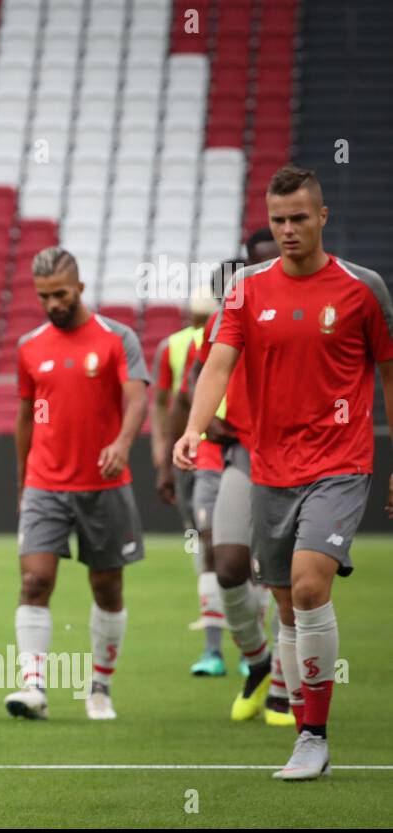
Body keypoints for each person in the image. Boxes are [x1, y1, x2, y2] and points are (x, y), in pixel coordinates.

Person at [176, 165, 393, 780]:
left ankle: (315, 734)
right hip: (268, 464)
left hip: (340, 462)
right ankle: (303, 730)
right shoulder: (246, 289)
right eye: (279, 220)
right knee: (286, 605)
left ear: (322, 217)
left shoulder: (362, 288)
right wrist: (195, 428)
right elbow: (218, 364)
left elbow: (389, 372)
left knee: (305, 587)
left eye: (300, 217)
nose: (289, 229)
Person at [3, 246, 149, 721]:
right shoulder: (29, 346)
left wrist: (124, 443)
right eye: (44, 296)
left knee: (107, 588)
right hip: (46, 484)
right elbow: (25, 416)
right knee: (34, 580)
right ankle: (33, 689)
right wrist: (24, 483)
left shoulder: (117, 338)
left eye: (61, 294)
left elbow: (137, 400)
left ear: (81, 288)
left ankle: (100, 688)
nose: (53, 304)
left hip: (104, 487)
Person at [172, 232, 294, 724]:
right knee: (227, 566)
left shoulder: (311, 305)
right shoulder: (234, 311)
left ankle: (286, 690)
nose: (265, 270)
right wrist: (203, 423)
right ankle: (259, 657)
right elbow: (208, 372)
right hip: (242, 449)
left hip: (305, 452)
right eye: (256, 262)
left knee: (289, 579)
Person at [151, 287, 225, 675]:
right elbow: (174, 399)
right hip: (200, 449)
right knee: (210, 539)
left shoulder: (176, 344)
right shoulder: (189, 345)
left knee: (203, 538)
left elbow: (166, 402)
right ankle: (220, 630)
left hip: (198, 450)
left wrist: (163, 455)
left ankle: (217, 631)